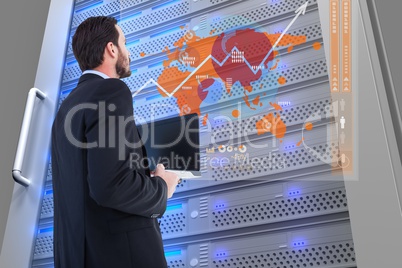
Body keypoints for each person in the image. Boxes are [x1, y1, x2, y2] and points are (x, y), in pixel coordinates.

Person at [51, 16, 180, 268]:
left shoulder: (66, 109)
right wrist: (162, 188)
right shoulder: (111, 90)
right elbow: (111, 185)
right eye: (125, 42)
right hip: (123, 256)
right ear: (111, 49)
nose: (127, 51)